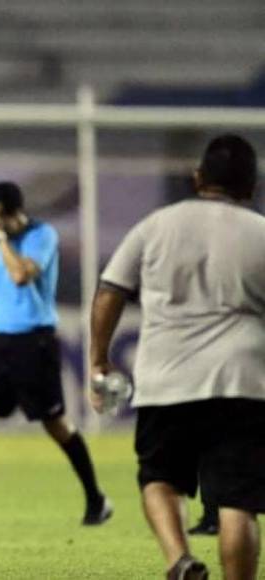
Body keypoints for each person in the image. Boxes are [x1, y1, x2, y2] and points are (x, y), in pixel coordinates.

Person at [90, 134, 265, 580]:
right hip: (242, 382)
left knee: (159, 480)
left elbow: (111, 292)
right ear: (251, 186)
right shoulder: (261, 232)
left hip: (167, 377)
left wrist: (98, 360)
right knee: (238, 503)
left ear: (197, 177)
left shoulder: (156, 226)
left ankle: (179, 559)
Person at [0, 181, 112, 528]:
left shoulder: (42, 236)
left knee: (54, 424)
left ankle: (96, 500)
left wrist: (1, 240)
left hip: (34, 342)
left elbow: (22, 275)